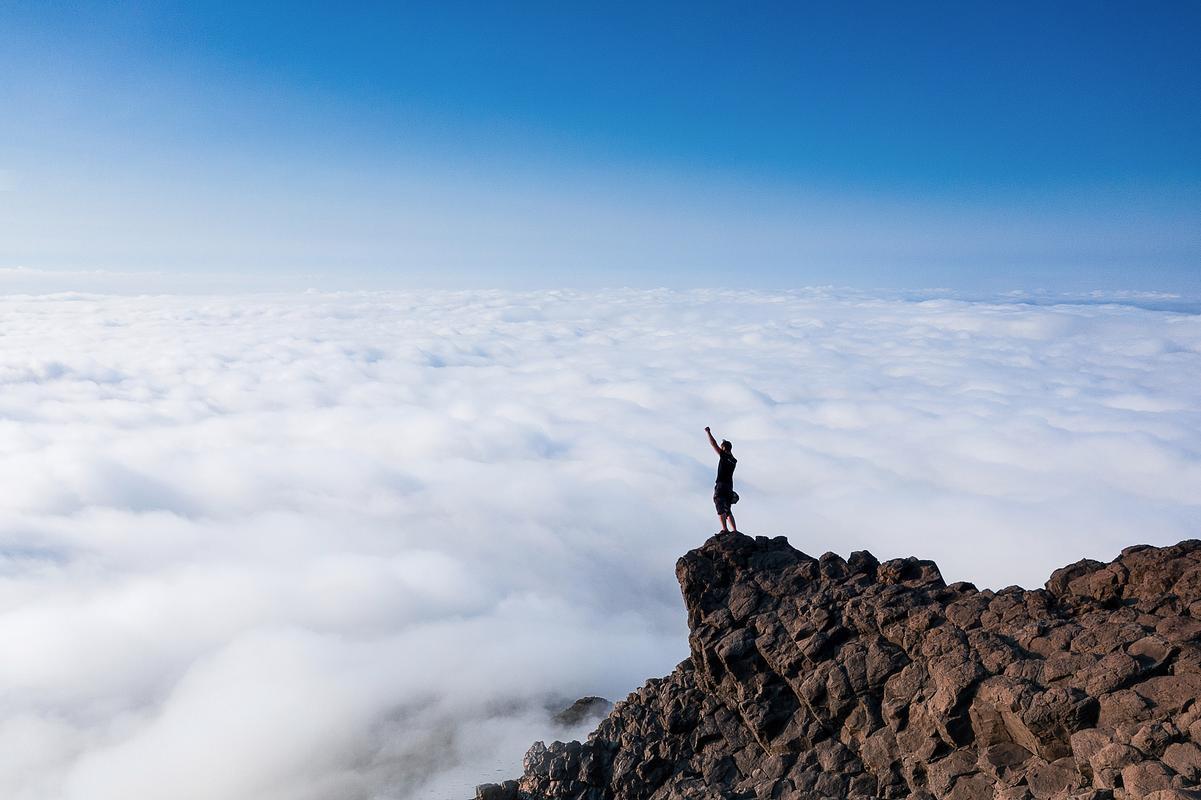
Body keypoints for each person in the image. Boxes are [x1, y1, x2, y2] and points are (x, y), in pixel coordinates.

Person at [705, 426, 739, 533]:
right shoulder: (734, 460)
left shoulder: (724, 456)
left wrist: (708, 432)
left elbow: (713, 443)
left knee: (719, 504)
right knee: (728, 510)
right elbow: (729, 453)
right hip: (729, 487)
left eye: (722, 447)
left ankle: (725, 529)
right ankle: (735, 530)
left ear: (724, 448)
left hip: (721, 485)